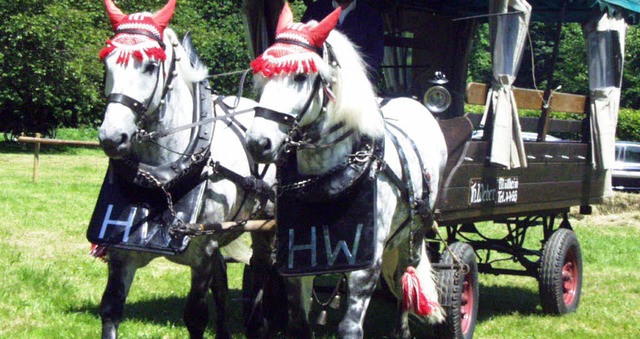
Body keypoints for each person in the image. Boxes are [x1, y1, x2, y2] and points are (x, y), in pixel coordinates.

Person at [302, 0, 384, 82]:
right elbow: (302, 44)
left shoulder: (370, 15)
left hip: (357, 82)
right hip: (318, 82)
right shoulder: (315, 10)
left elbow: (376, 55)